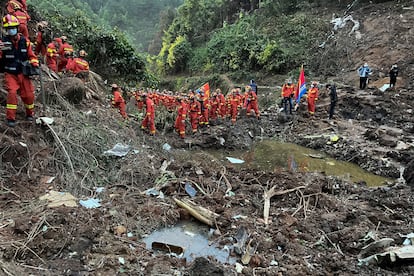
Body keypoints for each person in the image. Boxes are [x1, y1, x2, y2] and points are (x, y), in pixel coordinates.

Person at [0, 14, 39, 127]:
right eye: (9, 29)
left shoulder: (25, 41)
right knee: (12, 93)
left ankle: (29, 114)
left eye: (13, 28)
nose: (11, 30)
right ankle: (10, 118)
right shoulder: (3, 42)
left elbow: (32, 56)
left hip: (23, 73)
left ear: (17, 28)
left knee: (28, 95)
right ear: (6, 30)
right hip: (10, 73)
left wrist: (34, 63)